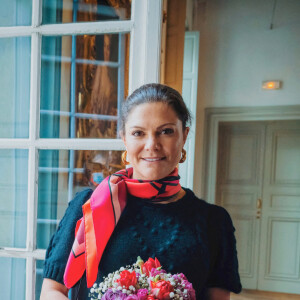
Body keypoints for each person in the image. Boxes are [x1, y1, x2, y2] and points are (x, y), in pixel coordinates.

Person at [40, 83, 242, 300]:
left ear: (184, 135)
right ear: (124, 138)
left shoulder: (214, 221)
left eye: (166, 131)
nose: (152, 144)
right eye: (138, 133)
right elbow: (53, 291)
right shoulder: (87, 207)